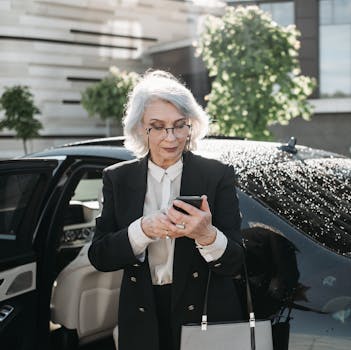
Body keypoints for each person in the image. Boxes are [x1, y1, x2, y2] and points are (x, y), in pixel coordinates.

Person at [88, 70, 244, 350]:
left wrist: (206, 235)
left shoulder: (217, 175)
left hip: (204, 315)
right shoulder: (117, 178)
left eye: (179, 125)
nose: (170, 137)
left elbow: (235, 262)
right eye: (158, 126)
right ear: (139, 128)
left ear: (191, 126)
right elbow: (100, 256)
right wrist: (142, 230)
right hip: (141, 313)